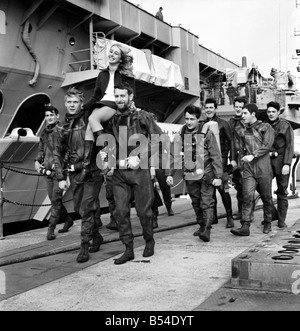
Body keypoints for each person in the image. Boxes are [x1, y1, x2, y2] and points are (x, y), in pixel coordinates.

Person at [99, 82, 163, 265]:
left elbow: (160, 140)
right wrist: (106, 162)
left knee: (144, 212)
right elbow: (106, 143)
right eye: (116, 96)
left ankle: (149, 242)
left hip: (139, 171)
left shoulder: (143, 117)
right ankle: (128, 249)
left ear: (130, 97)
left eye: (122, 96)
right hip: (119, 173)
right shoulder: (112, 119)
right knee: (120, 212)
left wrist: (140, 157)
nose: (119, 99)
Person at [54, 87, 105, 263]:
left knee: (88, 207)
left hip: (92, 171)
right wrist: (60, 177)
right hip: (75, 173)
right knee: (80, 209)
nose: (72, 105)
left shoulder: (90, 120)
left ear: (81, 103)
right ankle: (97, 236)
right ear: (65, 103)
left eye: (75, 102)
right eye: (69, 102)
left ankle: (84, 246)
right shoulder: (61, 127)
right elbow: (57, 153)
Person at [81, 43, 136, 179]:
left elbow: (131, 93)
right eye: (111, 51)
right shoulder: (102, 74)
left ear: (121, 59)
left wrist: (132, 106)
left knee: (93, 119)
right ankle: (86, 165)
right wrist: (83, 107)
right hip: (102, 103)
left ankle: (106, 154)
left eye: (116, 53)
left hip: (115, 103)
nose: (111, 54)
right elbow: (95, 96)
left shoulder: (125, 75)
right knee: (89, 127)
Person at [171, 105, 223, 242]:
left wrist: (218, 176)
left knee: (206, 202)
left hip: (206, 173)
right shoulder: (182, 132)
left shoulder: (206, 133)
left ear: (198, 119)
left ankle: (206, 229)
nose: (188, 122)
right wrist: (170, 174)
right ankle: (201, 225)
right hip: (190, 173)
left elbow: (215, 155)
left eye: (192, 119)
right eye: (186, 119)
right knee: (196, 202)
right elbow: (176, 156)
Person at [231, 103, 275, 237]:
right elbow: (240, 151)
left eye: (245, 113)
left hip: (263, 167)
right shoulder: (243, 130)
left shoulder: (266, 127)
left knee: (266, 197)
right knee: (247, 196)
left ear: (253, 114)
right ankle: (245, 226)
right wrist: (240, 166)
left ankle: (268, 222)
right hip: (249, 168)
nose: (242, 116)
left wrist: (253, 155)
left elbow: (267, 145)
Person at [34, 106, 74, 241]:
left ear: (57, 116)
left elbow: (69, 151)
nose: (49, 118)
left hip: (59, 173)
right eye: (47, 116)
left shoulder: (63, 131)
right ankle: (68, 220)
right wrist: (37, 161)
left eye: (51, 115)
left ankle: (50, 229)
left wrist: (65, 168)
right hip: (48, 172)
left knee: (56, 201)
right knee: (53, 199)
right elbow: (41, 150)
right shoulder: (44, 133)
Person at [204, 98, 235, 229]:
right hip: (208, 162)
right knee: (210, 191)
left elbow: (231, 141)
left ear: (215, 108)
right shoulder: (202, 125)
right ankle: (214, 217)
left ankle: (229, 217)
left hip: (221, 161)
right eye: (207, 107)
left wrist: (232, 159)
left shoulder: (223, 124)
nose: (209, 110)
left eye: (211, 107)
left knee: (223, 190)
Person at [267, 101, 294, 229]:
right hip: (268, 161)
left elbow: (289, 145)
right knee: (262, 188)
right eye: (269, 112)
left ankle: (281, 220)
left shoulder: (285, 125)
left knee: (282, 191)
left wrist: (287, 164)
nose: (271, 114)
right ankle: (272, 214)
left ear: (278, 112)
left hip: (282, 161)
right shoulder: (265, 126)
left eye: (273, 112)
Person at [228, 97, 247, 220]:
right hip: (235, 159)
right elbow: (230, 142)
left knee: (248, 188)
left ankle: (246, 213)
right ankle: (241, 212)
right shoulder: (230, 122)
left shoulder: (246, 122)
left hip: (246, 159)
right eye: (237, 106)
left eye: (241, 107)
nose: (238, 109)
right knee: (239, 187)